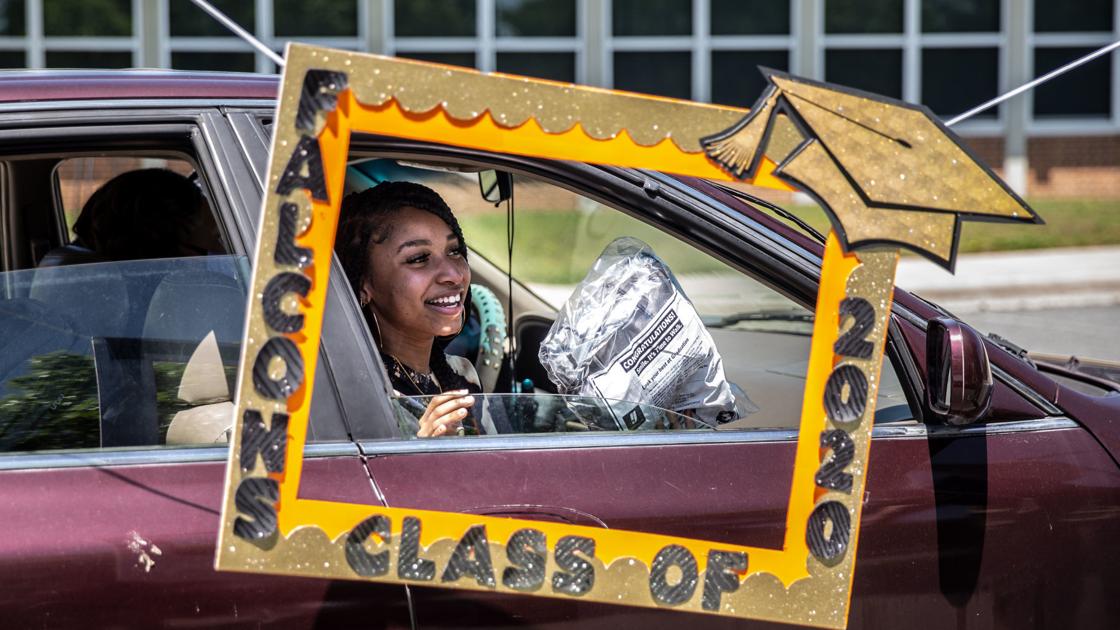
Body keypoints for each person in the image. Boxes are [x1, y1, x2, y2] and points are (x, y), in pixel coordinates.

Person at [336, 181, 488, 438]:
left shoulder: (462, 373)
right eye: (418, 258)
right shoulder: (353, 396)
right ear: (363, 285)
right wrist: (423, 447)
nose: (453, 275)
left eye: (454, 251)